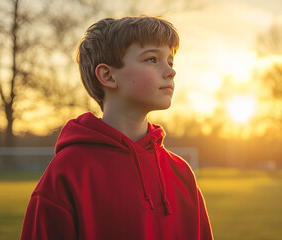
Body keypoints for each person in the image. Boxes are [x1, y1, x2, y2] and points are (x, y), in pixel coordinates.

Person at [21, 16, 213, 240]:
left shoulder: (181, 173)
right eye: (152, 59)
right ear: (108, 75)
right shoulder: (68, 172)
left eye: (170, 62)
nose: (170, 71)